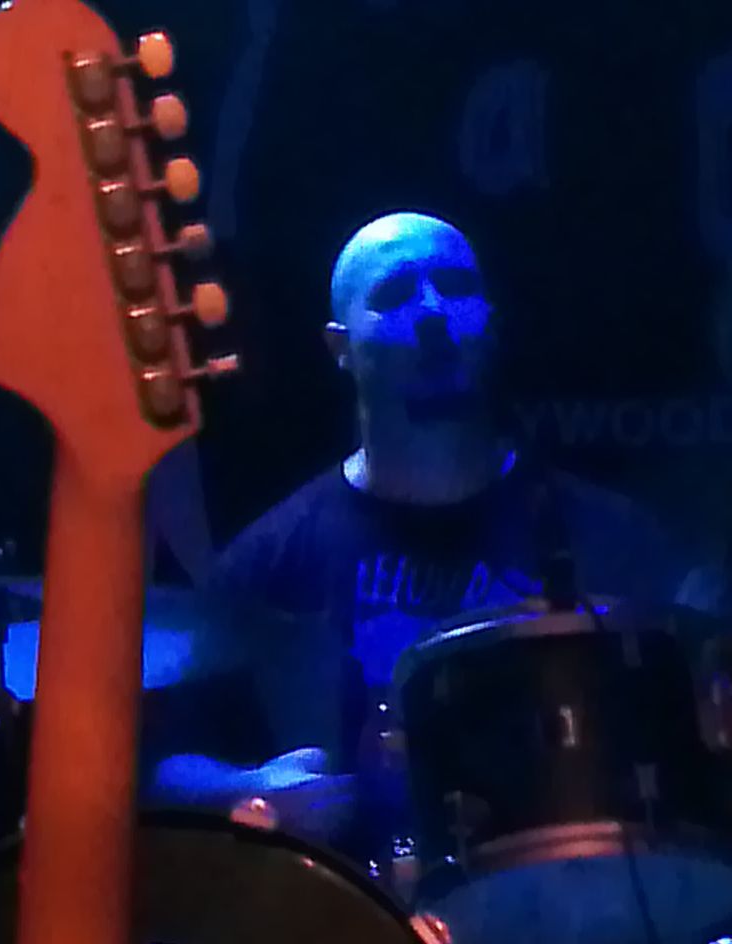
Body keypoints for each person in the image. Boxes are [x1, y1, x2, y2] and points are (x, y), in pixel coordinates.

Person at [148, 211, 680, 852]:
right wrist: (250, 791)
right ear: (339, 348)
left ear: (489, 321)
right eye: (395, 295)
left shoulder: (613, 539)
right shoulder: (272, 562)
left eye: (454, 287)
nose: (431, 312)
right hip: (351, 907)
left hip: (568, 898)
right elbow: (166, 763)